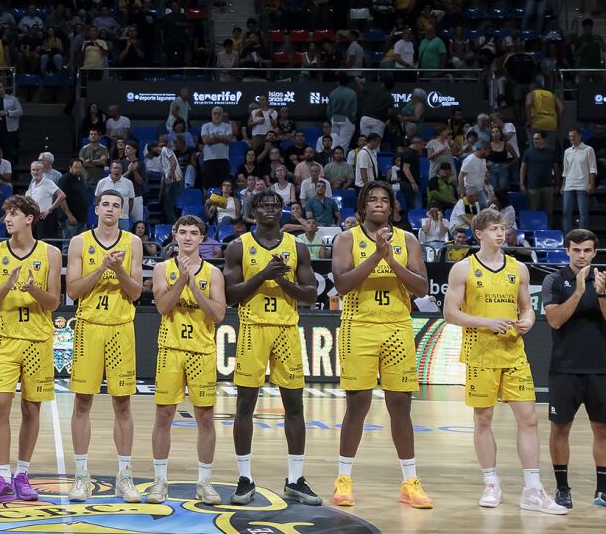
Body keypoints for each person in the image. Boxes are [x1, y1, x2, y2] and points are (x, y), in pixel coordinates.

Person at [443, 209, 564, 514]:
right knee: (483, 420)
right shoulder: (463, 269)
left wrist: (527, 320)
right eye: (495, 229)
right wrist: (486, 322)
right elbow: (450, 313)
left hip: (513, 351)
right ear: (479, 234)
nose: (501, 233)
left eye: (504, 228)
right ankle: (491, 482)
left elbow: (527, 308)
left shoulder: (518, 269)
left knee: (529, 419)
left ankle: (533, 489)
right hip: (480, 351)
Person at [331, 181, 434, 509]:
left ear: (392, 207)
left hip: (397, 327)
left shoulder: (408, 240)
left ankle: (410, 481)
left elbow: (421, 288)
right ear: (363, 206)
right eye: (373, 200)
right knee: (357, 404)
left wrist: (391, 261)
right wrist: (377, 254)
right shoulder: (347, 239)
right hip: (358, 326)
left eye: (384, 200)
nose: (379, 204)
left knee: (400, 406)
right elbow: (343, 284)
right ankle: (343, 479)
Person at [223, 190, 323, 506]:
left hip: (286, 330)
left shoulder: (297, 248)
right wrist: (265, 275)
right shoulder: (239, 246)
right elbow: (230, 295)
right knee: (244, 405)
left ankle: (295, 479)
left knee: (294, 406)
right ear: (254, 210)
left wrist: (283, 283)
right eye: (263, 204)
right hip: (252, 329)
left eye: (275, 204)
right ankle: (244, 477)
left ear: (282, 210)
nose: (269, 208)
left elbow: (310, 294)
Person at [0, 196, 61, 506]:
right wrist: (8, 284)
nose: (7, 218)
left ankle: (22, 476)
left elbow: (54, 303)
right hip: (5, 338)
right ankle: (1, 477)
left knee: (31, 409)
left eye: (13, 213)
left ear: (30, 219)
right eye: (6, 213)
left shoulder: (50, 254)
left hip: (38, 340)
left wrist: (33, 289)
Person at [65, 190, 144, 500]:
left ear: (122, 211)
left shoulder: (133, 243)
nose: (110, 209)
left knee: (122, 404)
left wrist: (119, 269)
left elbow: (135, 292)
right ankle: (81, 475)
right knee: (82, 402)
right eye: (105, 204)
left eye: (116, 205)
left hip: (121, 327)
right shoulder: (79, 243)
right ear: (96, 208)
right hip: (89, 326)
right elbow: (73, 291)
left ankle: (125, 476)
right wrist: (101, 268)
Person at [543, 229, 606, 510]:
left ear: (594, 252)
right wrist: (579, 290)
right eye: (576, 250)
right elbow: (554, 320)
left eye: (587, 250)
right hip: (565, 367)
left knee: (604, 428)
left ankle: (603, 490)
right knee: (560, 427)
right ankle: (562, 488)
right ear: (567, 250)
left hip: (600, 366)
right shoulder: (554, 279)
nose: (581, 256)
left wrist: (601, 294)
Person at [151, 214, 227, 503]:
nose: (187, 237)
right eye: (182, 232)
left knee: (205, 417)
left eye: (193, 233)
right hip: (170, 349)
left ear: (202, 238)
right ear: (174, 235)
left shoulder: (214, 274)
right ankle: (160, 481)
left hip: (202, 351)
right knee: (163, 415)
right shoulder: (162, 268)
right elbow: (163, 307)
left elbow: (218, 315)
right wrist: (182, 281)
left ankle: (205, 482)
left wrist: (193, 285)